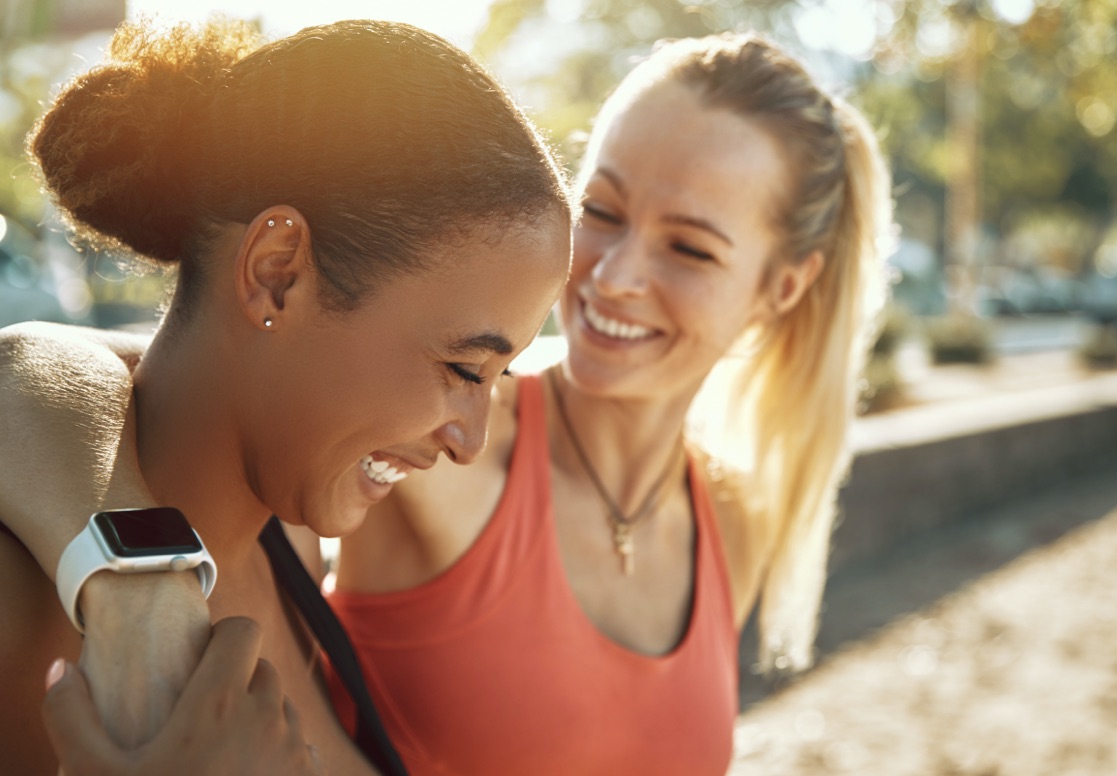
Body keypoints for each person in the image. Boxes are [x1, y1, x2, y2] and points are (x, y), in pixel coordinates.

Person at [0, 30, 892, 775]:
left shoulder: (725, 517)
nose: (614, 278)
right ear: (276, 271)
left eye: (691, 248)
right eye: (602, 213)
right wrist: (134, 587)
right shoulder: (397, 470)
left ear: (782, 287)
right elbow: (47, 366)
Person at [0, 14, 571, 776]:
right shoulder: (20, 612)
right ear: (276, 271)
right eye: (465, 370)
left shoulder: (293, 548)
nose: (468, 440)